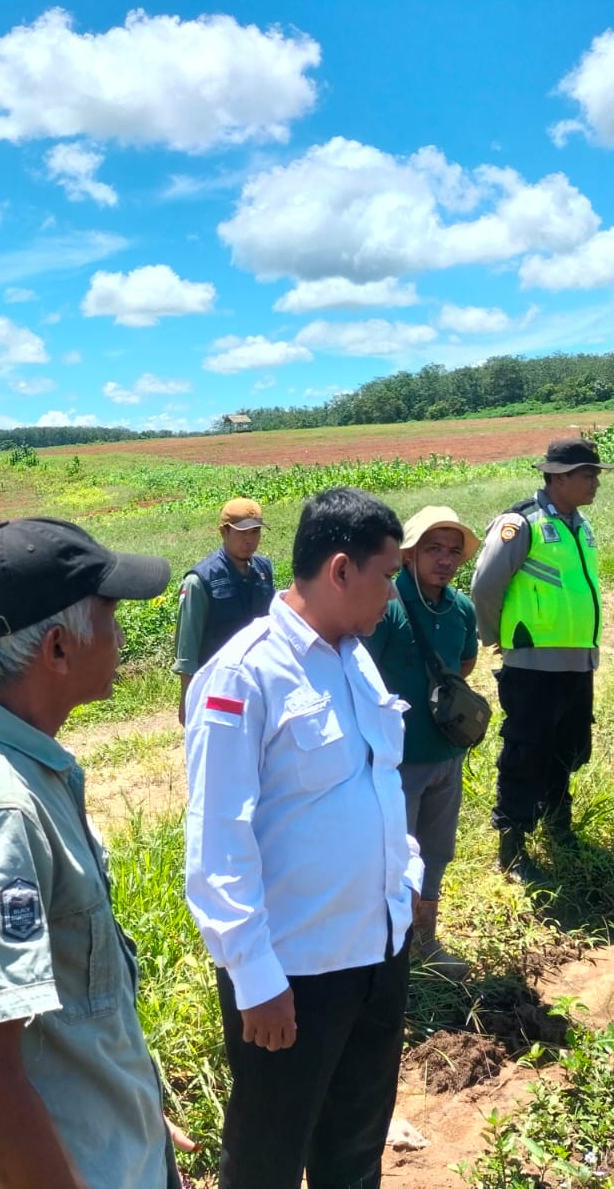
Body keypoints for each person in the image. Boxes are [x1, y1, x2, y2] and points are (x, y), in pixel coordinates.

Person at [0, 517, 184, 1189]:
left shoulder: (24, 774)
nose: (120, 637)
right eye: (109, 617)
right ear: (56, 648)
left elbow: (59, 1023)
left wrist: (132, 1119)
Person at [184, 486, 421, 1189]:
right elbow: (216, 840)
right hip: (293, 980)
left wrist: (403, 880)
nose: (392, 594)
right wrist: (255, 979)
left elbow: (381, 781)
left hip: (376, 957)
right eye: (387, 576)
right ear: (341, 570)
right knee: (268, 1159)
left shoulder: (355, 654)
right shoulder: (244, 673)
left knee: (354, 1151)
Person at [470, 439, 613, 888]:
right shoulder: (521, 523)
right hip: (533, 664)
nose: (595, 481)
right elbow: (484, 585)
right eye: (587, 474)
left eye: (595, 473)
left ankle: (558, 827)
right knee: (525, 753)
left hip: (577, 661)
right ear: (557, 477)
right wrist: (497, 637)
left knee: (569, 749)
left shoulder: (580, 523)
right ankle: (512, 847)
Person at [364, 505, 481, 980]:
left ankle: (424, 944)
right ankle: (388, 957)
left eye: (454, 551)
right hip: (396, 763)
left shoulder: (461, 609)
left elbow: (466, 664)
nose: (446, 559)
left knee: (435, 851)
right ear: (409, 553)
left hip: (445, 757)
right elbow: (362, 678)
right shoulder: (388, 606)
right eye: (434, 548)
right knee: (392, 860)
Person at [173, 497, 274, 723]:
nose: (250, 540)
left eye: (255, 532)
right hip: (218, 685)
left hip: (258, 681)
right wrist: (187, 700)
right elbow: (187, 648)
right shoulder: (200, 580)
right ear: (224, 532)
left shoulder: (263, 570)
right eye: (242, 533)